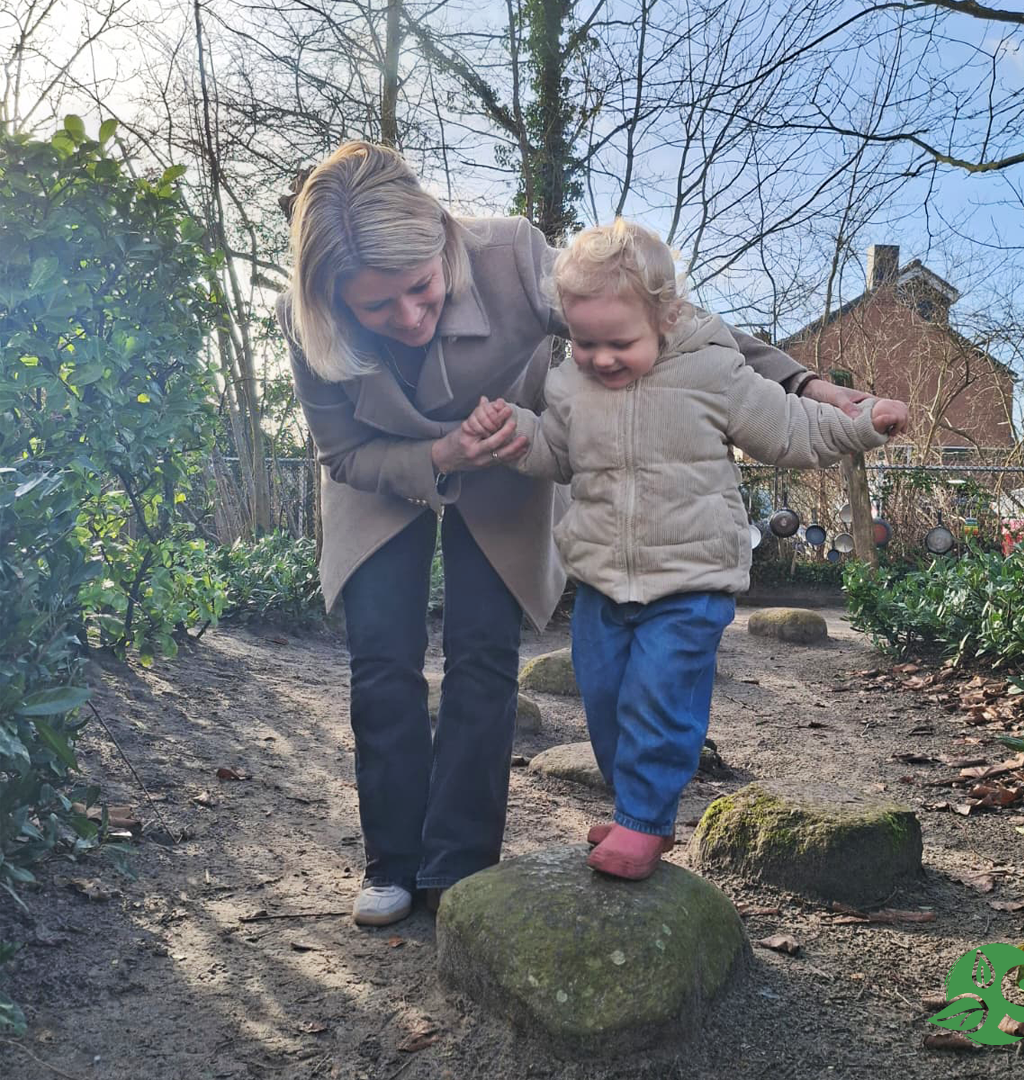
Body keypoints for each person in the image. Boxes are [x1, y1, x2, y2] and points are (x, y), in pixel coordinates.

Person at [277, 140, 906, 925]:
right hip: (383, 479)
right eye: (378, 307)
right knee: (381, 663)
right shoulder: (304, 323)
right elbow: (343, 454)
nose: (408, 317)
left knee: (482, 653)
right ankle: (391, 864)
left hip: (510, 459)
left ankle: (458, 869)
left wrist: (801, 382)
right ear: (332, 302)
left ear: (443, 242)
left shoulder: (506, 256)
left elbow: (660, 317)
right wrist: (439, 453)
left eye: (421, 289)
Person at [463, 219, 907, 880]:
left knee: (660, 697)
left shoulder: (714, 368)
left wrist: (861, 424)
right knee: (606, 700)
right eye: (584, 342)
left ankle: (644, 821)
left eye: (619, 342)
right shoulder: (570, 385)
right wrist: (513, 433)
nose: (600, 358)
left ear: (666, 316)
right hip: (603, 582)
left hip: (691, 580)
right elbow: (556, 453)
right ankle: (635, 808)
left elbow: (788, 429)